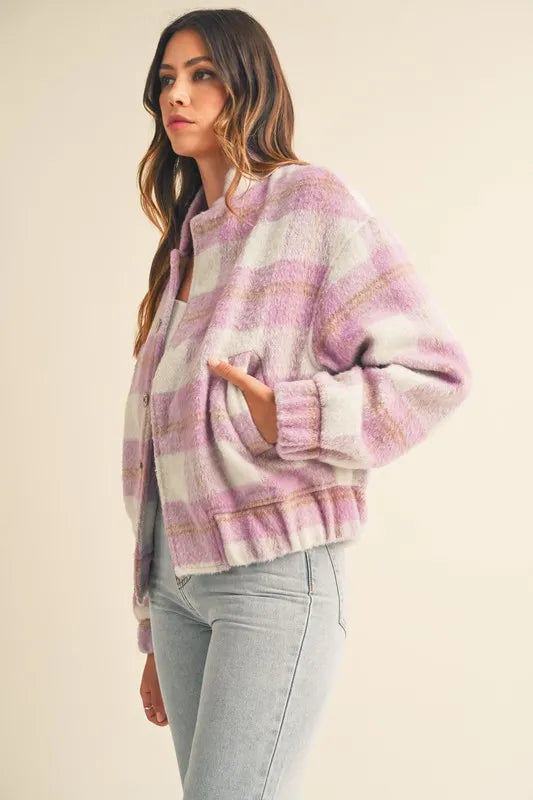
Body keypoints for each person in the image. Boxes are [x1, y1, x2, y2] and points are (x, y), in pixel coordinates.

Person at [121, 9, 472, 798]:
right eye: (167, 79)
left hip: (273, 578)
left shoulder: (310, 205)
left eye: (202, 74)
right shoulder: (185, 244)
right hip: (178, 585)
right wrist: (153, 619)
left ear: (247, 84)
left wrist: (293, 415)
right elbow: (158, 450)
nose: (177, 95)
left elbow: (435, 371)